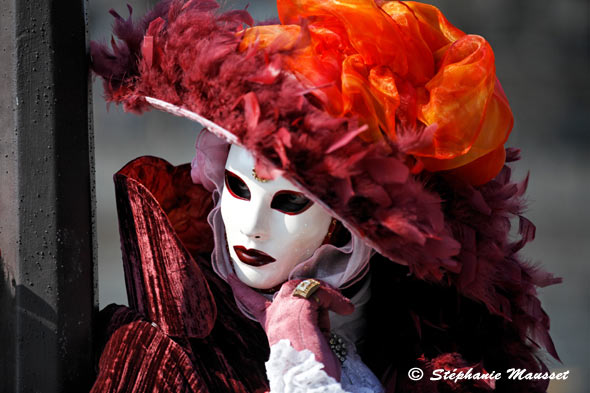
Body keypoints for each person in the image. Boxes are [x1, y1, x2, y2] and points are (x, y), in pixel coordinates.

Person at [90, 0, 560, 392]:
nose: (252, 224)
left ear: (350, 230)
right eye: (237, 186)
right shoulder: (161, 353)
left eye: (290, 202)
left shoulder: (446, 348)